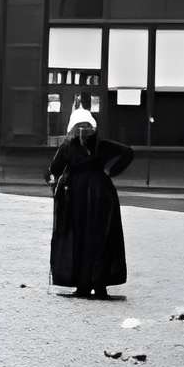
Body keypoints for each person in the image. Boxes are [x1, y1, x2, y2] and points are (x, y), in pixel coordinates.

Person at [46, 107, 133, 297]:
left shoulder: (83, 146)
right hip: (86, 195)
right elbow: (53, 169)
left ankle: (92, 284)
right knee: (88, 238)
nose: (83, 131)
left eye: (85, 126)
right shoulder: (78, 146)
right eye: (80, 126)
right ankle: (89, 284)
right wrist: (54, 181)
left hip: (91, 196)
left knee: (94, 239)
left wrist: (111, 170)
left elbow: (127, 152)